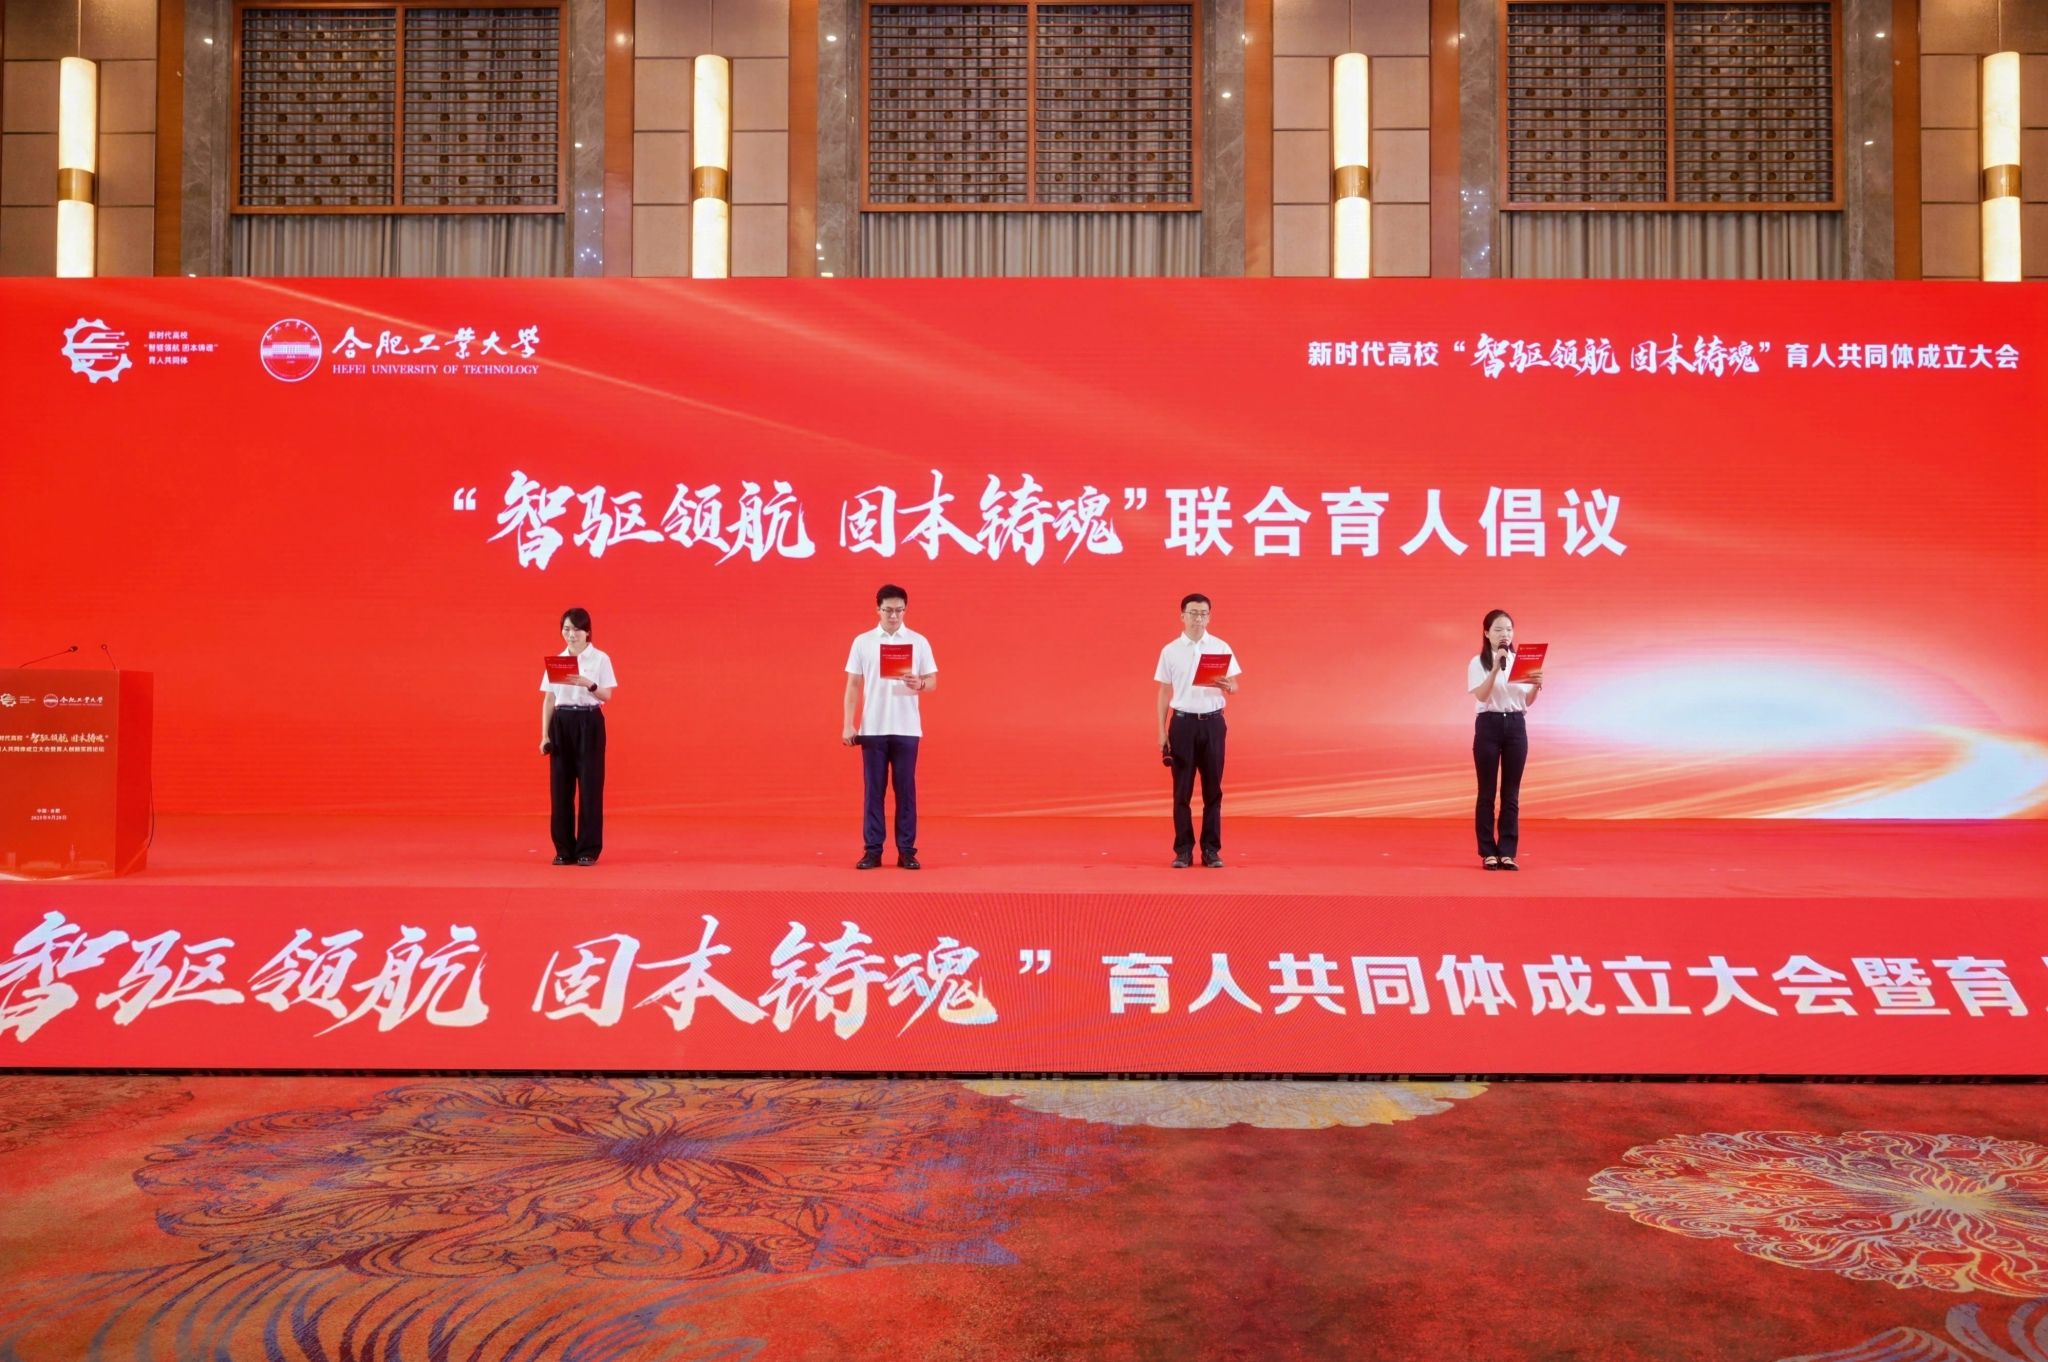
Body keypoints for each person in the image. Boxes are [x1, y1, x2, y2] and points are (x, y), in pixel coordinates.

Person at [842, 584, 938, 870]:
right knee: (874, 791)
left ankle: (906, 851)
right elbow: (853, 684)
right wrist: (848, 724)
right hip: (873, 727)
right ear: (878, 609)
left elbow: (933, 682)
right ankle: (872, 851)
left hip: (907, 728)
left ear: (905, 609)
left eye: (899, 610)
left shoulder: (918, 641)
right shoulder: (863, 642)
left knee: (905, 791)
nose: (894, 616)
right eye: (888, 610)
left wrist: (919, 683)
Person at [1154, 593, 1241, 868]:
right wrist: (1161, 730)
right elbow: (1164, 692)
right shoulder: (1170, 650)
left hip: (1213, 724)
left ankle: (1211, 850)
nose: (1198, 618)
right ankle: (1183, 850)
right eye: (1193, 613)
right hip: (1182, 724)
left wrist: (1229, 686)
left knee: (1213, 790)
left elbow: (1235, 685)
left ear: (1209, 617)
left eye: (1203, 614)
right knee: (1182, 791)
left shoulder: (1220, 646)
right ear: (1182, 616)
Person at [540, 607, 617, 866]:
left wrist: (588, 684)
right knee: (560, 788)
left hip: (589, 720)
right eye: (566, 629)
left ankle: (588, 849)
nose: (571, 634)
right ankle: (564, 849)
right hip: (562, 722)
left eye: (576, 629)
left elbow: (607, 695)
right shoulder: (558, 660)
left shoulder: (600, 659)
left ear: (587, 632)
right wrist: (544, 735)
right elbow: (549, 699)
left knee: (590, 786)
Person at [1468, 608, 1542, 871]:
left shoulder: (1523, 660)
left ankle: (1507, 852)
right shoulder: (1478, 662)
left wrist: (1536, 685)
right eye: (1498, 629)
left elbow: (1526, 702)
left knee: (1511, 794)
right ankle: (1488, 851)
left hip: (1515, 726)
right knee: (1486, 792)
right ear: (1487, 633)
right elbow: (1481, 695)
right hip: (1488, 725)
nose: (1504, 634)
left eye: (1509, 630)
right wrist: (1495, 667)